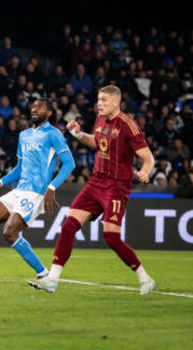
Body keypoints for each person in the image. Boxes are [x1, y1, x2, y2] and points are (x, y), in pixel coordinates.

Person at [29, 86, 156, 295]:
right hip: (96, 182)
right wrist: (78, 134)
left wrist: (145, 171)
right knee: (68, 226)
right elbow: (97, 143)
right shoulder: (99, 119)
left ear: (116, 102)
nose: (100, 104)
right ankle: (52, 279)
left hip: (116, 187)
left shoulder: (128, 125)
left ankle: (145, 278)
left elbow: (148, 157)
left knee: (111, 238)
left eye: (105, 100)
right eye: (99, 100)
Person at [0, 99, 75, 287]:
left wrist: (52, 187)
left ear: (50, 113)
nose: (35, 109)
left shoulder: (53, 134)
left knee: (9, 232)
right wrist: (1, 182)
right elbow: (20, 167)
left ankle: (43, 275)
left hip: (36, 192)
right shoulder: (24, 135)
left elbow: (70, 163)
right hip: (19, 189)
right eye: (33, 107)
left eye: (40, 107)